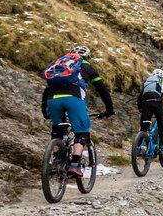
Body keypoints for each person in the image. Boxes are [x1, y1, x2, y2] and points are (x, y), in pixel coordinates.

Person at [41, 45, 113, 177]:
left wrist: (45, 110)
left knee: (57, 130)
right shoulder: (87, 67)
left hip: (52, 99)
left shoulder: (59, 65)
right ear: (87, 57)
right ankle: (74, 165)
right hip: (73, 99)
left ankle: (56, 161)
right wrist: (109, 109)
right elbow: (102, 90)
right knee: (82, 132)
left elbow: (47, 88)